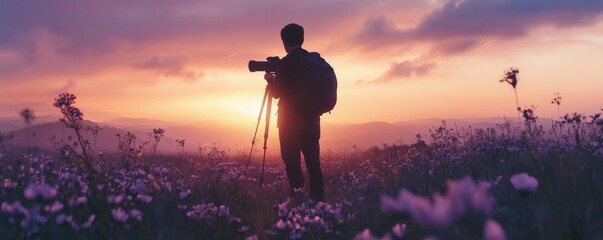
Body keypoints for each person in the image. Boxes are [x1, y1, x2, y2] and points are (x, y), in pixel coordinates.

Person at [264, 23, 324, 201]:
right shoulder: (313, 61)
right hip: (312, 119)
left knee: (292, 162)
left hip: (289, 121)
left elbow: (276, 93)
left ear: (284, 41)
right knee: (314, 163)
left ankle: (298, 201)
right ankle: (319, 202)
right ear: (302, 39)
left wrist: (270, 80)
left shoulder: (287, 63)